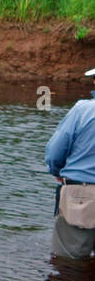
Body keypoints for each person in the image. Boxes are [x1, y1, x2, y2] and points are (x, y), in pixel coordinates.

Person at [45, 67, 95, 259]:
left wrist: (57, 171)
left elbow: (54, 153)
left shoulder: (83, 109)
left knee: (68, 264)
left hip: (80, 195)